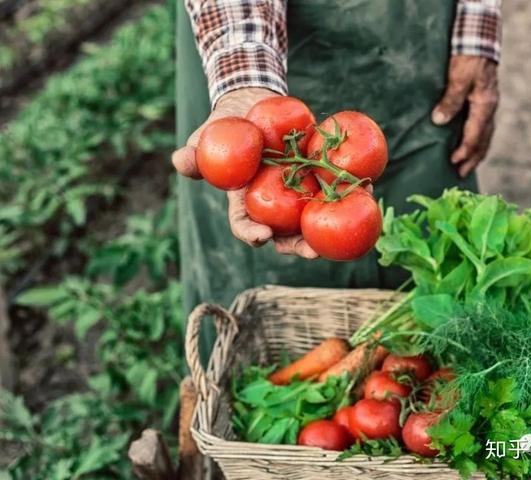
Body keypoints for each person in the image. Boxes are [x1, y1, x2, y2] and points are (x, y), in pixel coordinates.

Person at [173, 0, 502, 354]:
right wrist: (247, 87)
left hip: (418, 45)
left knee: (437, 266)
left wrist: (476, 25)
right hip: (260, 45)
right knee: (259, 337)